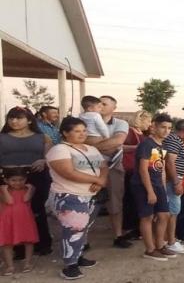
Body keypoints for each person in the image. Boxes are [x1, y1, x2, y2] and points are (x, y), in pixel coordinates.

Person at [46, 116, 106, 279]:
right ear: (65, 132)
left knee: (83, 229)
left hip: (91, 195)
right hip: (69, 195)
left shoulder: (91, 149)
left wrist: (100, 182)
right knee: (73, 229)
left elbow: (103, 166)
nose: (82, 134)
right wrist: (96, 180)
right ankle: (69, 265)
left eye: (84, 130)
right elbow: (67, 172)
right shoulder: (59, 150)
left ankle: (78, 256)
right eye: (77, 131)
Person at [0, 107, 52, 256]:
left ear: (29, 120)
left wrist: (44, 160)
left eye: (18, 118)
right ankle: (17, 246)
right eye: (11, 118)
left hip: (35, 176)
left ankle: (42, 243)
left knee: (36, 210)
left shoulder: (43, 137)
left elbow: (51, 155)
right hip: (7, 178)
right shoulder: (2, 137)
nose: (14, 121)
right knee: (11, 212)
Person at [86, 96, 130, 249]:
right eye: (99, 103)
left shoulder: (121, 123)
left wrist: (90, 146)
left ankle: (118, 235)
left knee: (115, 202)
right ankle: (82, 239)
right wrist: (107, 146)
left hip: (113, 169)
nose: (100, 106)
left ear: (114, 108)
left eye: (104, 104)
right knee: (86, 203)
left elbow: (118, 141)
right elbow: (78, 140)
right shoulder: (84, 120)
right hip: (87, 169)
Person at [131, 113, 174, 261]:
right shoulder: (146, 144)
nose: (166, 131)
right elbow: (143, 169)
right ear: (153, 126)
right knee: (147, 216)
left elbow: (159, 167)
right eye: (163, 127)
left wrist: (161, 188)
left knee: (164, 215)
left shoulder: (161, 145)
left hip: (157, 185)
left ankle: (160, 245)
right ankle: (150, 250)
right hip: (143, 185)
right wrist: (150, 191)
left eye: (169, 128)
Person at [0, 167, 38, 276]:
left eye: (21, 180)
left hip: (24, 219)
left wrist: (30, 189)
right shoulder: (2, 191)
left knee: (28, 241)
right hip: (7, 220)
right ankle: (10, 266)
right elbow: (9, 201)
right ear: (6, 181)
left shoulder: (29, 189)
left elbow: (26, 199)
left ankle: (28, 263)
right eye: (13, 180)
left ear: (26, 179)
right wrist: (4, 189)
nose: (17, 183)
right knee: (7, 243)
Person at [163, 119, 184, 255]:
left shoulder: (175, 139)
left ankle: (168, 239)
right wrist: (176, 182)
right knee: (173, 212)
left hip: (174, 180)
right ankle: (171, 242)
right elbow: (169, 162)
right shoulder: (174, 140)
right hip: (172, 182)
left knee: (172, 212)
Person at [122, 110, 151, 238]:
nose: (149, 124)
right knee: (131, 199)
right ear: (141, 120)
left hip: (140, 168)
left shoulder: (143, 134)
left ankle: (138, 227)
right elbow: (120, 146)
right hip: (131, 168)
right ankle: (130, 227)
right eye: (148, 121)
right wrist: (136, 148)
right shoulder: (130, 132)